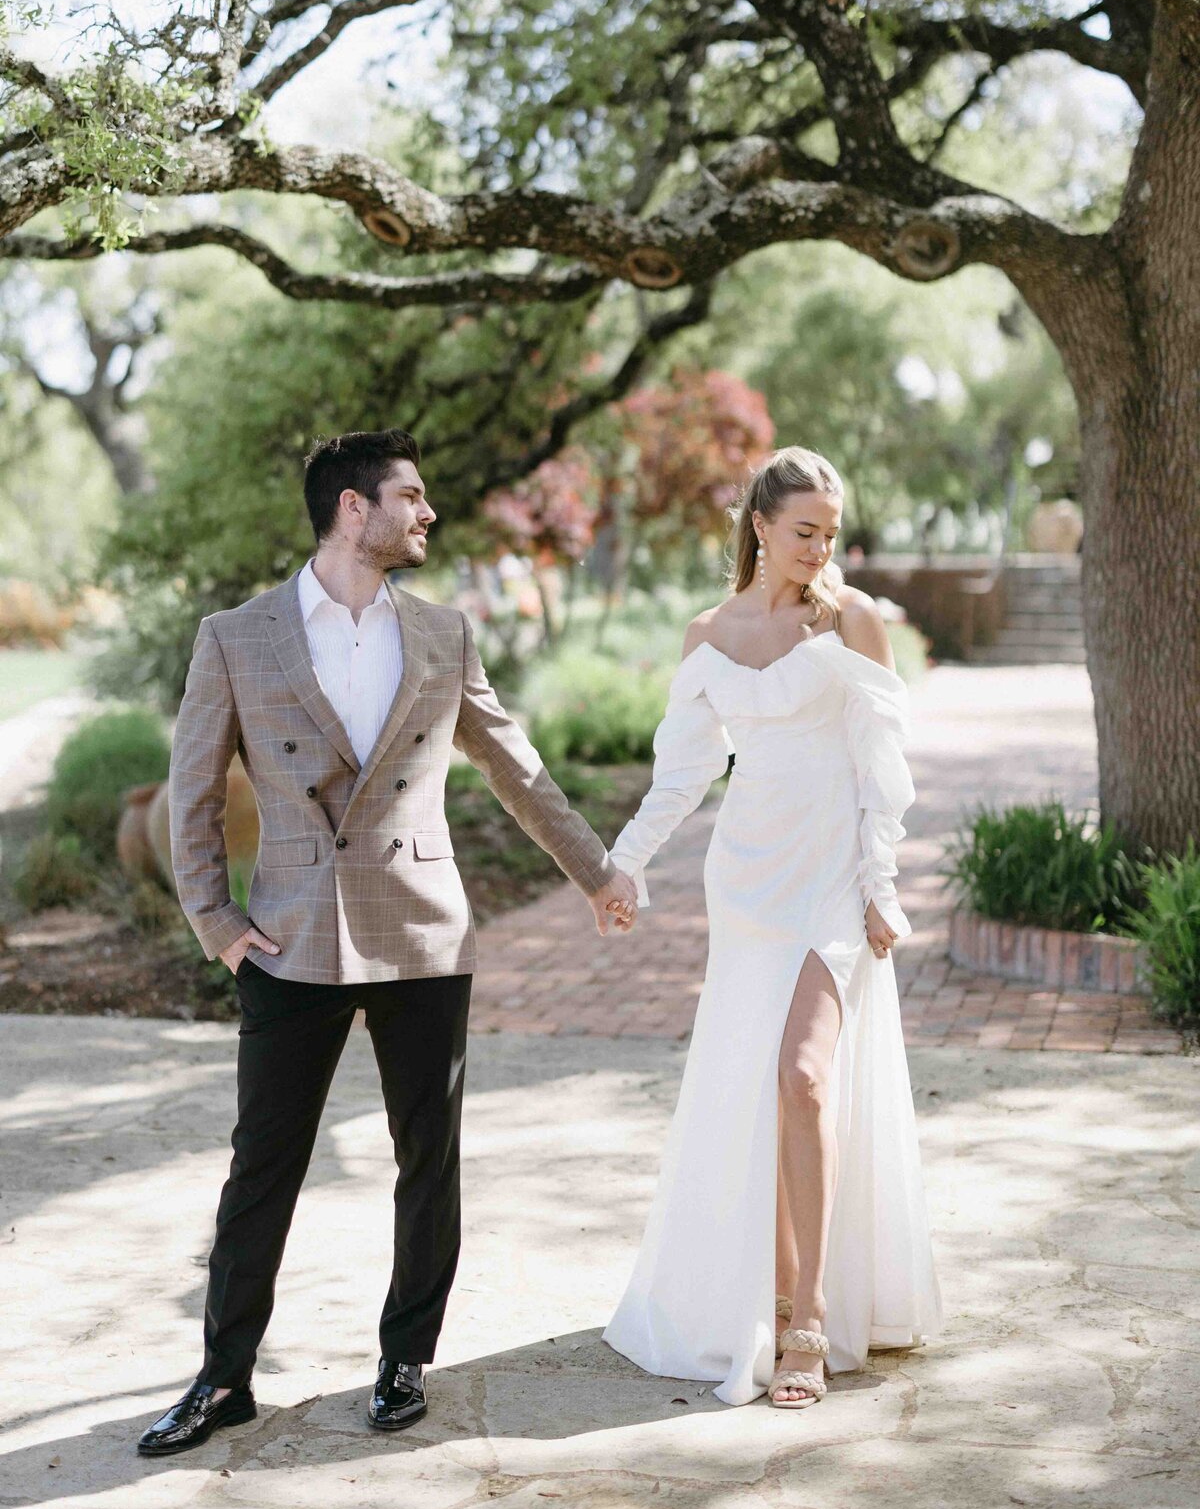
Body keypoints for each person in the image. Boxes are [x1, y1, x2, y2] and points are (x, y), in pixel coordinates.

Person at [138, 427, 637, 1456]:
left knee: (428, 1159)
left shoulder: (445, 633)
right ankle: (223, 1379)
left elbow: (517, 767)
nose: (428, 512)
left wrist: (598, 872)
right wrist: (219, 925)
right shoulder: (236, 635)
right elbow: (191, 794)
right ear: (352, 510)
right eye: (410, 495)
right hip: (287, 939)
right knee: (262, 1167)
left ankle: (405, 1358)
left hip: (420, 933)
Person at [603, 446, 942, 1408]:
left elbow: (883, 763)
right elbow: (682, 775)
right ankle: (764, 1289)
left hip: (832, 871)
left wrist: (881, 883)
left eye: (831, 534)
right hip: (746, 878)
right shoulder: (707, 635)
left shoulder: (854, 620)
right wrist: (622, 865)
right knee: (758, 1085)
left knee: (805, 1075)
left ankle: (808, 1321)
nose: (820, 550)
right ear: (759, 526)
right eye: (805, 532)